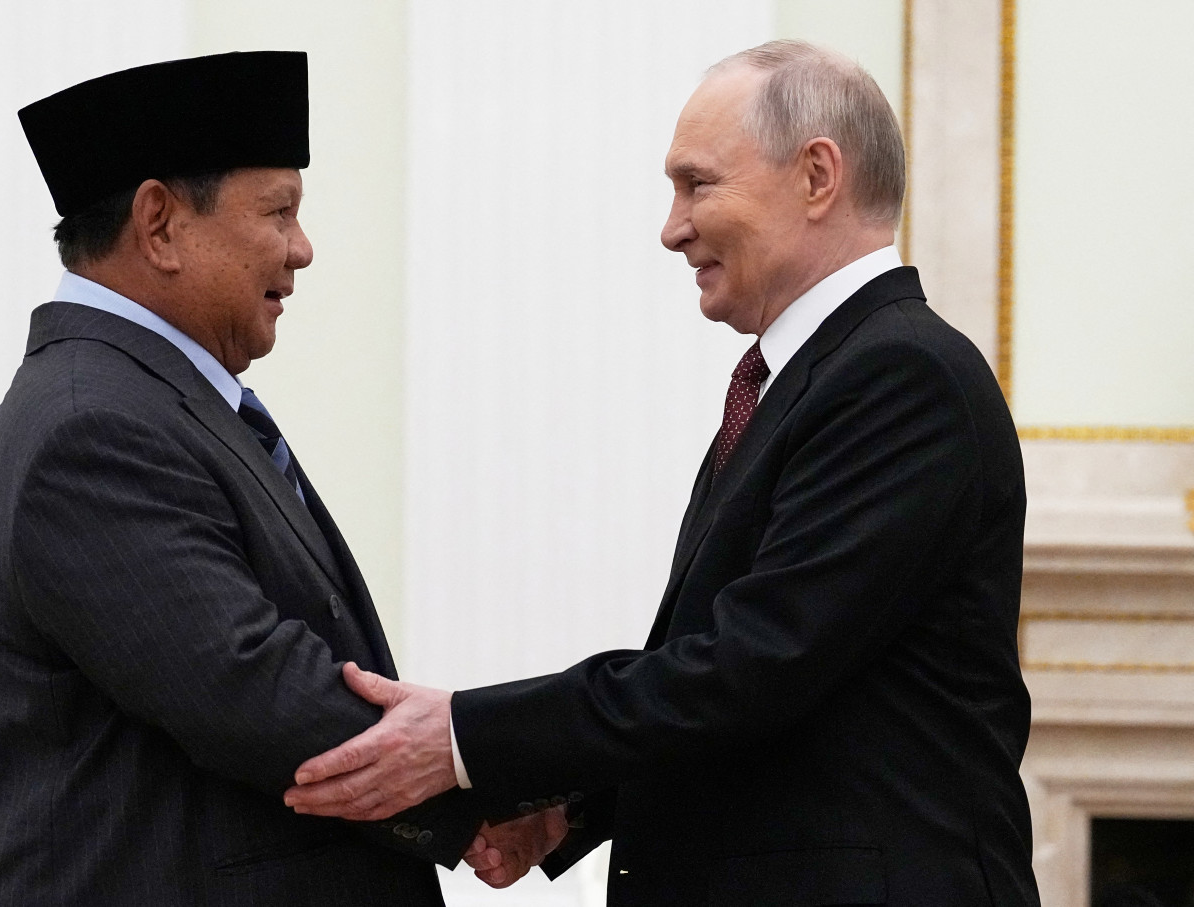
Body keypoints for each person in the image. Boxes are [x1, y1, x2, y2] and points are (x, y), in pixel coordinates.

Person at [282, 40, 1042, 905]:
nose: (672, 226)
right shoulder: (810, 378)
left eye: (698, 184)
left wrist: (462, 734)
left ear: (817, 176)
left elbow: (750, 668)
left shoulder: (900, 377)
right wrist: (569, 809)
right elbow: (763, 691)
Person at [0, 51, 549, 906]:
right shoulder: (94, 425)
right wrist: (486, 783)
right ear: (159, 224)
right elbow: (253, 687)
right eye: (279, 211)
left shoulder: (147, 397)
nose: (302, 249)